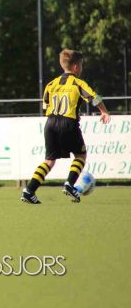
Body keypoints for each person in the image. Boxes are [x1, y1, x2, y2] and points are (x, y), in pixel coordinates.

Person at [21, 49, 110, 204]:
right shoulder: (78, 82)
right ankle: (69, 184)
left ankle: (29, 191)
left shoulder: (51, 84)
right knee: (80, 155)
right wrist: (104, 111)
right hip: (68, 122)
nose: (81, 68)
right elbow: (94, 98)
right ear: (76, 67)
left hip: (50, 123)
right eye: (81, 65)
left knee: (49, 160)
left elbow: (45, 105)